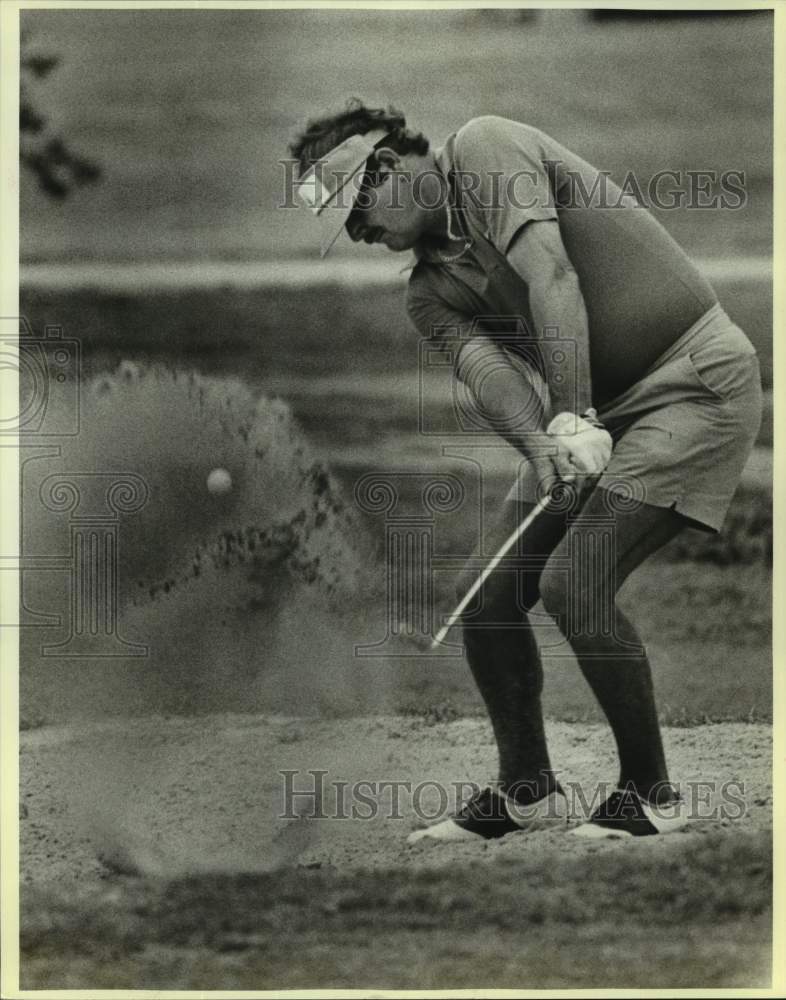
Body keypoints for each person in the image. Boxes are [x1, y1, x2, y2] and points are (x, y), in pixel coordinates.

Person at [289, 101, 763, 840]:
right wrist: (545, 447)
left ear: (386, 168)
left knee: (573, 583)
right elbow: (492, 378)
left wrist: (574, 415)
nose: (358, 235)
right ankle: (526, 789)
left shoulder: (486, 149)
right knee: (484, 593)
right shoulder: (427, 292)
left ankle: (651, 795)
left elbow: (555, 276)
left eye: (355, 212)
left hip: (694, 383)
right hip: (598, 414)